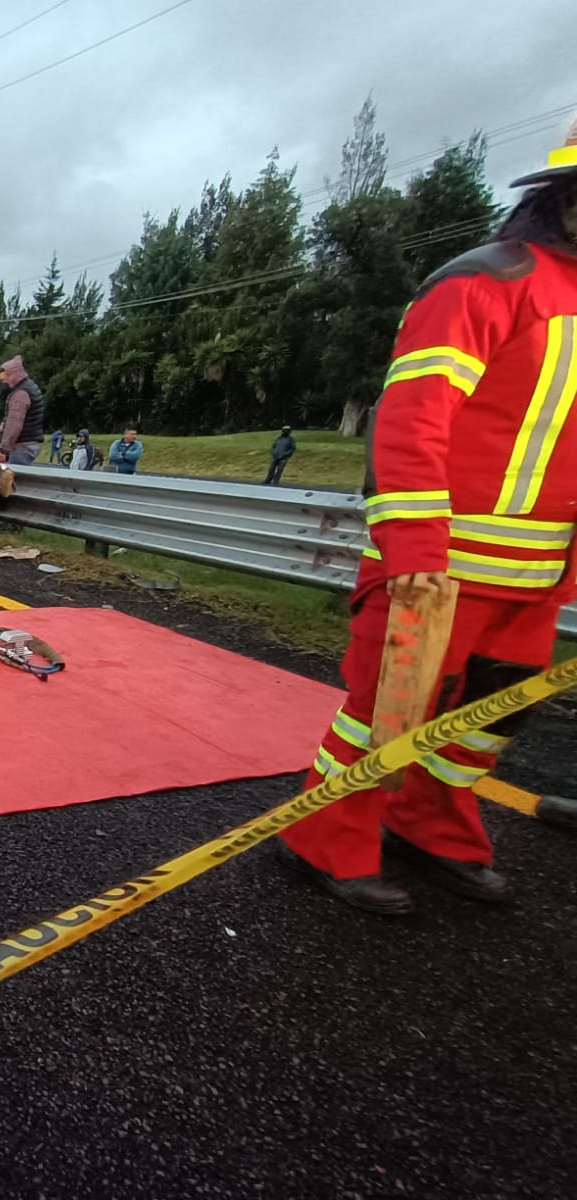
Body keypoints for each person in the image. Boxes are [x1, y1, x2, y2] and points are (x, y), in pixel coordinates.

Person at [278, 124, 577, 915]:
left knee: (487, 722)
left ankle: (433, 826)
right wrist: (413, 550)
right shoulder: (486, 283)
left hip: (540, 578)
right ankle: (324, 838)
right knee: (385, 716)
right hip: (440, 569)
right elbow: (411, 421)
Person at [0, 355, 45, 466]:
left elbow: (14, 424)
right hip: (30, 442)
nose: (3, 384)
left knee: (11, 474)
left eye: (4, 380)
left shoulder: (20, 394)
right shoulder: (29, 386)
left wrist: (3, 449)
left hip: (22, 445)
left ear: (13, 376)